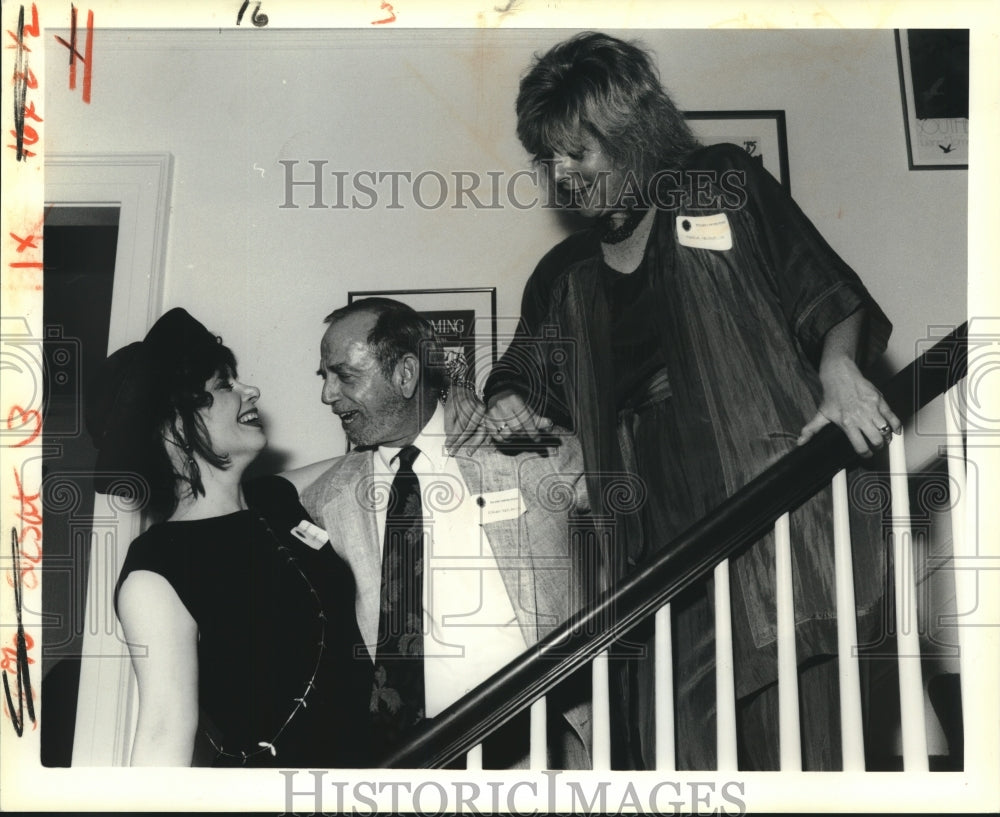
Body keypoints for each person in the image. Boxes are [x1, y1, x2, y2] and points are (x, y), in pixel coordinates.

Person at [461, 32, 900, 770]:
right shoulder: (564, 273)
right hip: (647, 541)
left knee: (807, 742)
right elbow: (523, 374)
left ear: (633, 134)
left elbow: (829, 291)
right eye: (550, 158)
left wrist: (839, 371)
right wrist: (505, 396)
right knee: (685, 748)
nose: (564, 175)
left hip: (767, 503)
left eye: (580, 151)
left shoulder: (719, 182)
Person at [282, 297, 592, 768]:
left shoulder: (523, 453)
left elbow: (637, 485)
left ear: (406, 374)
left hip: (538, 753)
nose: (327, 395)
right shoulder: (326, 503)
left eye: (344, 374)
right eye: (325, 377)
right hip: (400, 767)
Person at [88, 308, 373, 767]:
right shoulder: (155, 571)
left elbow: (370, 460)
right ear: (176, 428)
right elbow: (163, 732)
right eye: (225, 385)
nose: (250, 390)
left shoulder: (274, 500)